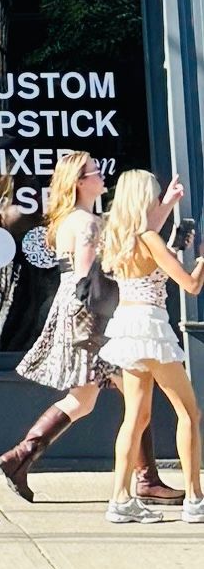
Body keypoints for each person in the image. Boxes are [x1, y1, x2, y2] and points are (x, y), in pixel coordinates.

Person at [0, 154, 183, 504]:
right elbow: (86, 279)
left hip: (80, 315)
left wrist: (166, 205)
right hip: (92, 318)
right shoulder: (87, 224)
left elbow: (136, 238)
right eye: (95, 172)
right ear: (80, 182)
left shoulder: (72, 219)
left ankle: (19, 458)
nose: (101, 175)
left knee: (84, 400)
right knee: (133, 395)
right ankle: (146, 480)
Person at [100, 168, 204, 525]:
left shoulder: (119, 236)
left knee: (135, 417)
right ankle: (195, 498)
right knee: (188, 413)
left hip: (127, 327)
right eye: (156, 194)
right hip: (152, 328)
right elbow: (190, 285)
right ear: (144, 197)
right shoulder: (150, 239)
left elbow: (149, 230)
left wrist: (170, 203)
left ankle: (120, 499)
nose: (158, 198)